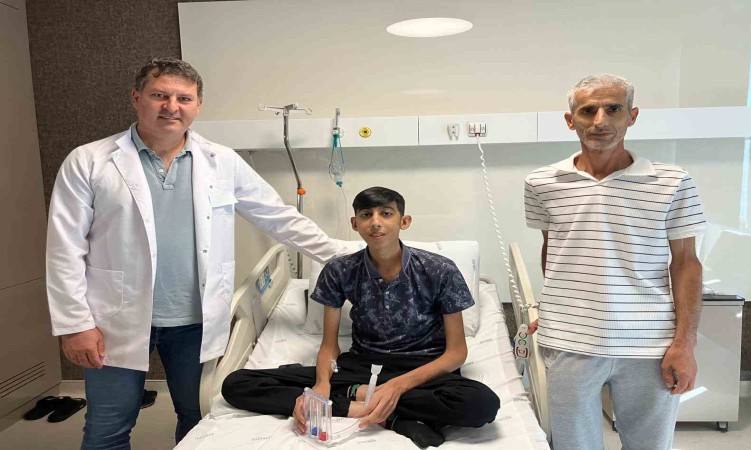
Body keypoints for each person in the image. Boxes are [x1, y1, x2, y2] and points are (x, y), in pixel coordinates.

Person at [46, 57, 348, 449]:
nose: (171, 107)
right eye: (160, 95)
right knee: (108, 428)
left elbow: (278, 218)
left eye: (184, 98)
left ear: (198, 105)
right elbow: (64, 247)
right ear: (136, 98)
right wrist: (75, 325)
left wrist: (347, 256)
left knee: (198, 418)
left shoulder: (221, 161)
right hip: (113, 319)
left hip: (195, 321)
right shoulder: (89, 160)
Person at [222, 187, 499, 448]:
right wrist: (321, 386)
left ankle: (354, 399)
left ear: (404, 221)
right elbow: (329, 346)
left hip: (422, 369)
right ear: (355, 224)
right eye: (366, 215)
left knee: (481, 404)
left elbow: (456, 354)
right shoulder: (339, 271)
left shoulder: (440, 270)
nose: (375, 222)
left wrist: (395, 387)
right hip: (362, 367)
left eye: (386, 213)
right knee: (236, 384)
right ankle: (384, 415)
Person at [523, 74, 706, 450]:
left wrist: (684, 344)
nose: (600, 120)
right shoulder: (542, 183)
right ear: (570, 120)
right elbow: (554, 250)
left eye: (613, 109)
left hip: (650, 343)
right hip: (570, 342)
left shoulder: (673, 182)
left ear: (632, 116)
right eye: (587, 111)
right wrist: (553, 306)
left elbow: (686, 263)